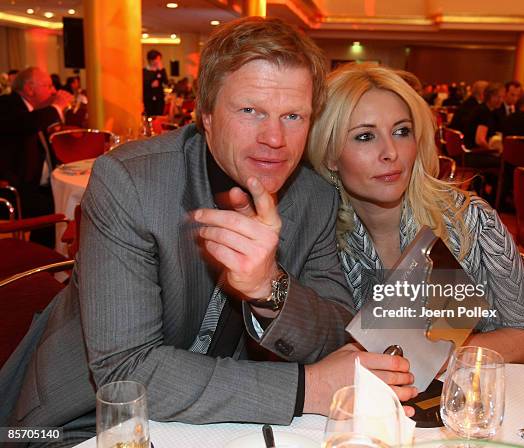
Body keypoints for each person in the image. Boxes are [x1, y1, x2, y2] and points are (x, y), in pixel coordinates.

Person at [0, 18, 416, 444]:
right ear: (206, 113)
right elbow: (126, 371)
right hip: (84, 421)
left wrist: (269, 287)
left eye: (293, 115)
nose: (275, 138)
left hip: (226, 419)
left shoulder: (315, 197)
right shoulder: (130, 181)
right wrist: (311, 387)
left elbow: (337, 329)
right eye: (250, 110)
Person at [307, 63, 524, 364]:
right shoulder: (319, 239)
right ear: (330, 154)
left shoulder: (469, 221)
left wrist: (433, 358)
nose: (391, 152)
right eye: (364, 137)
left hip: (469, 395)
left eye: (401, 131)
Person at [0, 67, 72, 247]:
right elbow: (26, 124)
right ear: (29, 89)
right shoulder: (7, 104)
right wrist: (56, 107)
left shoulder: (36, 112)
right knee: (60, 209)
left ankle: (50, 255)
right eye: (48, 86)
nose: (54, 91)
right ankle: (47, 260)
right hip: (15, 188)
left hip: (38, 184)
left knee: (73, 201)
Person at [464, 82, 505, 150]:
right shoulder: (483, 112)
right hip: (475, 153)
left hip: (475, 150)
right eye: (498, 97)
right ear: (489, 96)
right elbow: (480, 141)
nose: (501, 100)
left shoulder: (487, 110)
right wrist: (492, 150)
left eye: (502, 97)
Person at [143, 49, 169, 116]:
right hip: (148, 99)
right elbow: (143, 85)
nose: (158, 61)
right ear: (151, 60)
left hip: (159, 99)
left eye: (159, 59)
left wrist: (161, 70)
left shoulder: (161, 70)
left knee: (159, 116)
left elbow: (166, 82)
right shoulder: (145, 71)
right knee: (149, 116)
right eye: (157, 59)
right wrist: (150, 85)